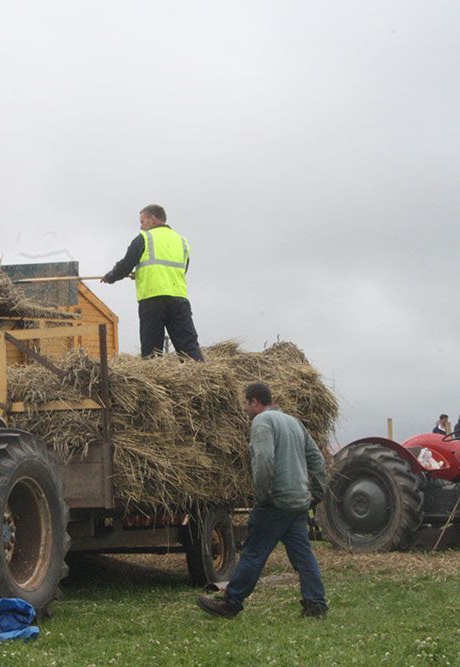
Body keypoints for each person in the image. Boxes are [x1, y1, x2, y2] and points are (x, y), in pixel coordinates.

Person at [198, 382, 329, 619]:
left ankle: (231, 602)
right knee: (303, 556)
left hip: (275, 502)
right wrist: (318, 493)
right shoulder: (294, 422)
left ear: (255, 402)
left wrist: (263, 495)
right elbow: (318, 461)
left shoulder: (262, 422)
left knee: (253, 553)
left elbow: (264, 460)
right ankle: (316, 604)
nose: (245, 409)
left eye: (245, 404)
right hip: (298, 502)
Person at [101, 205, 204, 360]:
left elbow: (126, 265)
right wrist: (143, 273)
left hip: (152, 299)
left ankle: (155, 383)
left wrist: (110, 276)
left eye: (142, 221)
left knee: (152, 351)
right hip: (179, 300)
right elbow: (182, 269)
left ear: (153, 219)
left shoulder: (144, 238)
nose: (141, 226)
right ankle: (200, 379)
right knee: (189, 347)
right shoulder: (182, 241)